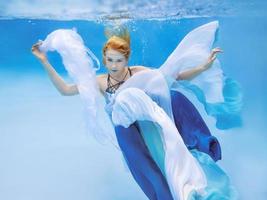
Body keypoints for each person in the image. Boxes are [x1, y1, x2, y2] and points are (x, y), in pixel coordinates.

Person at [31, 22, 235, 199]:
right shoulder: (101, 82)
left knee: (175, 97)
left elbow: (176, 76)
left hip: (151, 126)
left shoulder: (139, 73)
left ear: (126, 60)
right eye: (110, 60)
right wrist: (44, 62)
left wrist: (203, 68)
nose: (114, 65)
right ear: (104, 59)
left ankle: (200, 148)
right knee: (154, 177)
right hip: (129, 134)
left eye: (119, 60)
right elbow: (66, 90)